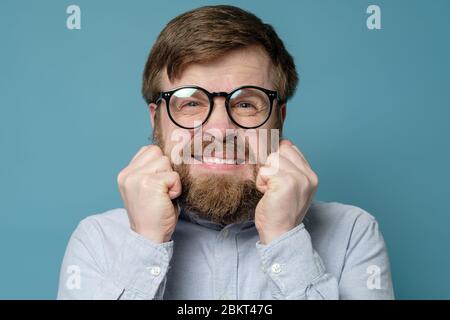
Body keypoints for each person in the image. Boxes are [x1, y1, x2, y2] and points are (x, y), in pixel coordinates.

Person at [57, 5, 394, 300]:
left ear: (280, 118)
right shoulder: (99, 242)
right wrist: (147, 244)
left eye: (246, 103)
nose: (219, 130)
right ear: (156, 120)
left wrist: (285, 239)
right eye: (190, 103)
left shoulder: (352, 233)